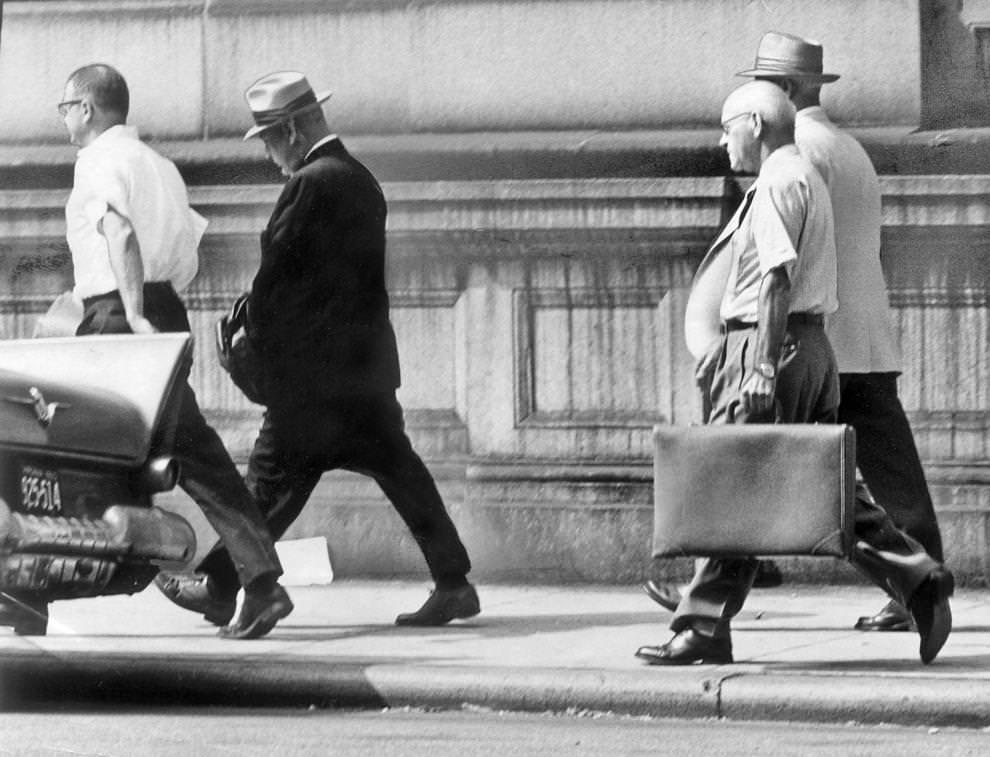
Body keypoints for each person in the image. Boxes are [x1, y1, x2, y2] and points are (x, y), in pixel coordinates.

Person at [633, 81, 953, 666]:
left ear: (755, 123)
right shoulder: (804, 174)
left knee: (732, 485)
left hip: (770, 348)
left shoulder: (780, 179)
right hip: (806, 348)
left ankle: (703, 626)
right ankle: (918, 580)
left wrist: (757, 363)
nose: (723, 141)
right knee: (821, 491)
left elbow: (775, 277)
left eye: (728, 127)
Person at [157, 71, 480, 627]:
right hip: (364, 374)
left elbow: (280, 282)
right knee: (401, 474)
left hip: (313, 383)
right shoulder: (359, 177)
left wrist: (249, 334)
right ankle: (453, 582)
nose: (267, 154)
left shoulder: (309, 183)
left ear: (289, 130)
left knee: (265, 482)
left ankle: (219, 585)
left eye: (267, 140)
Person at [60, 63, 292, 640]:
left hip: (122, 318)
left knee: (56, 441)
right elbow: (186, 259)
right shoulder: (161, 167)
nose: (64, 118)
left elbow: (119, 235)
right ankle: (252, 581)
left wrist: (131, 311)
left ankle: (33, 584)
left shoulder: (98, 161)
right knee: (191, 450)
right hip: (163, 309)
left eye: (66, 107)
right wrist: (149, 308)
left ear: (87, 109)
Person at [740, 31, 946, 633]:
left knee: (759, 457)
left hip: (819, 336)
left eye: (762, 84)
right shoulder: (849, 147)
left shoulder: (791, 150)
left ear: (784, 89)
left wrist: (769, 345)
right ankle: (922, 579)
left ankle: (725, 577)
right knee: (885, 471)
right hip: (868, 333)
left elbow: (793, 254)